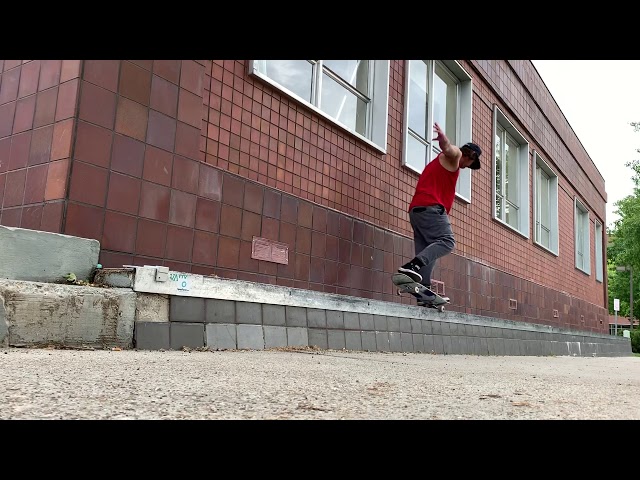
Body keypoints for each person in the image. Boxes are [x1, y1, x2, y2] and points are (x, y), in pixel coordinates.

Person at [398, 122, 482, 303]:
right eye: (471, 163)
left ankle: (423, 294)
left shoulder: (444, 163)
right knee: (447, 241)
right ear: (471, 157)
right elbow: (450, 149)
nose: (467, 167)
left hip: (417, 212)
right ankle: (411, 266)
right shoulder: (455, 157)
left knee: (428, 252)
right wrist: (443, 141)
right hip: (431, 209)